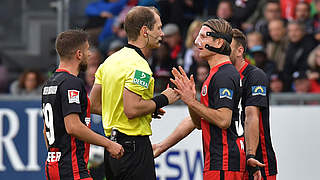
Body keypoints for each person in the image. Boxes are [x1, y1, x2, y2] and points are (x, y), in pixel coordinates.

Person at [153, 28, 278, 180]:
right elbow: (199, 119)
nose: (223, 50)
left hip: (257, 160)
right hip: (235, 161)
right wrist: (162, 146)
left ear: (239, 51)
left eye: (227, 47)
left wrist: (251, 153)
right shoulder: (218, 77)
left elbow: (251, 116)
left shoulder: (254, 76)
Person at [89, 6, 180, 180]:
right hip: (134, 148)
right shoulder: (139, 65)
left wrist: (147, 109)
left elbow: (94, 105)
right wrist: (163, 99)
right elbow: (131, 109)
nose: (162, 34)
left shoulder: (110, 61)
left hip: (113, 148)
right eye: (159, 28)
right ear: (145, 31)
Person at [42, 29, 124, 180]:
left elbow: (46, 131)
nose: (90, 54)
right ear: (78, 54)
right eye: (87, 50)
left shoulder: (50, 83)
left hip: (53, 165)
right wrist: (109, 144)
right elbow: (73, 127)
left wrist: (56, 156)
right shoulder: (71, 83)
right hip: (72, 168)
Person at [169, 18, 245, 180]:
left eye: (203, 37)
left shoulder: (223, 75)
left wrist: (191, 101)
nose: (197, 42)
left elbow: (224, 120)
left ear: (218, 43)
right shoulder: (216, 74)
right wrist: (191, 99)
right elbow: (198, 123)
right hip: (218, 161)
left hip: (224, 163)